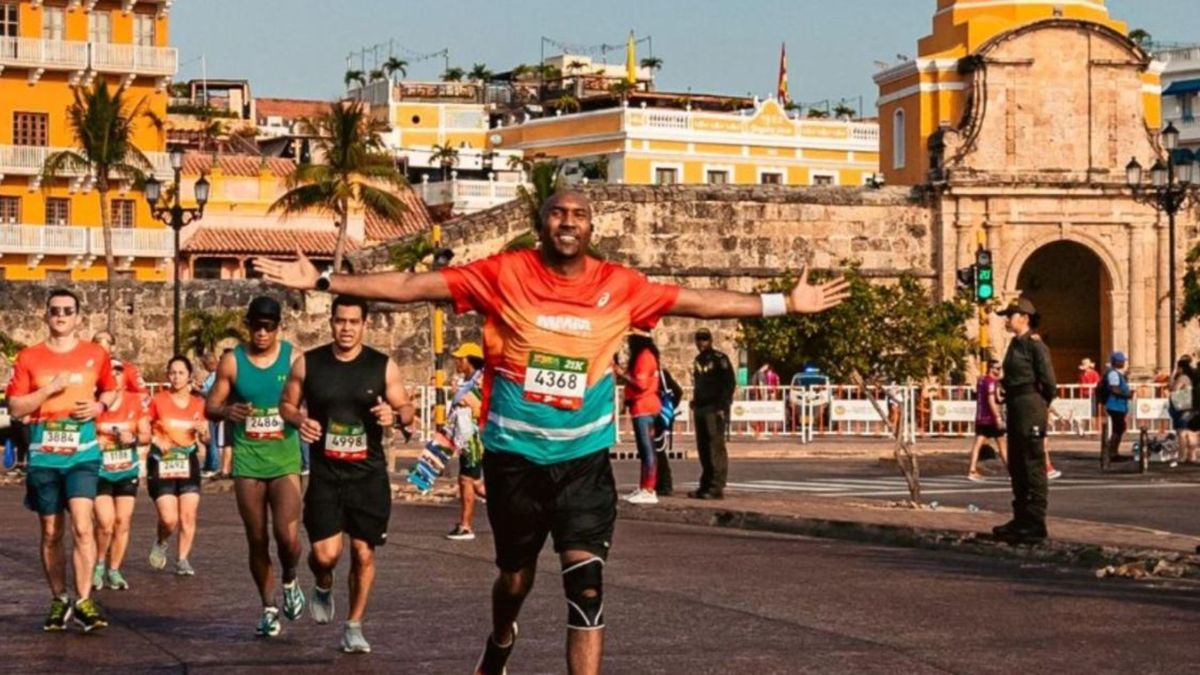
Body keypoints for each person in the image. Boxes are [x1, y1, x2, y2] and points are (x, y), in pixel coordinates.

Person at [252, 189, 849, 675]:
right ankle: (501, 638)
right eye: (558, 213)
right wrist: (326, 282)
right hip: (514, 461)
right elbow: (415, 287)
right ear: (542, 223)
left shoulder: (622, 286)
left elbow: (696, 301)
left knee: (586, 588)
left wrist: (781, 304)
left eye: (580, 214)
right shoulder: (504, 274)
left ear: (592, 227)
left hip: (584, 463)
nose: (568, 222)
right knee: (514, 579)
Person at [280, 295, 413, 653]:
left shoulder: (382, 366)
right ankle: (323, 581)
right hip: (326, 474)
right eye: (341, 321)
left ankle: (353, 625)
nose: (347, 329)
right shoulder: (308, 363)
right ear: (331, 322)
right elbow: (287, 404)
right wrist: (299, 421)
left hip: (368, 475)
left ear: (364, 324)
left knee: (363, 552)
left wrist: (395, 416)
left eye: (354, 322)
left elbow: (406, 407)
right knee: (326, 554)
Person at [5, 289, 119, 631]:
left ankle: (84, 600)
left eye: (68, 311)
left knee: (84, 525)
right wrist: (48, 390)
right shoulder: (29, 357)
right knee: (52, 532)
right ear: (46, 316)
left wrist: (98, 407)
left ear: (78, 317)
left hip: (82, 455)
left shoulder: (95, 354)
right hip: (44, 457)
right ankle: (59, 598)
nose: (61, 316)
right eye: (55, 310)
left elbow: (111, 391)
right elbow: (15, 408)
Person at [205, 296, 305, 637]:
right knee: (257, 537)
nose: (262, 333)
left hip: (285, 459)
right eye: (256, 326)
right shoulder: (233, 361)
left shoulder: (293, 358)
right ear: (248, 325)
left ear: (279, 327)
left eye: (269, 327)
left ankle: (290, 577)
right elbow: (211, 405)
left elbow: (314, 398)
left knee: (287, 536)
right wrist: (226, 412)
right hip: (248, 461)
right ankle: (269, 607)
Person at [993, 298, 1056, 545]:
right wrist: (1003, 387)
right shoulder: (1014, 345)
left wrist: (1041, 404)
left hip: (1031, 406)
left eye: (1011, 315)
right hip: (1016, 405)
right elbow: (1012, 375)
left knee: (1032, 463)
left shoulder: (1035, 345)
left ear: (1025, 317)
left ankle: (1035, 522)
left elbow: (1049, 382)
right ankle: (1020, 518)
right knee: (1017, 463)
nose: (1007, 320)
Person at [146, 356, 209, 576]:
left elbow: (207, 439)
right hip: (162, 461)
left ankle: (182, 559)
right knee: (169, 518)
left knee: (188, 515)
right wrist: (156, 440)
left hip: (187, 460)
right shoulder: (158, 401)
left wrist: (204, 433)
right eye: (172, 373)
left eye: (181, 373)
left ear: (189, 376)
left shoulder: (198, 404)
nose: (176, 377)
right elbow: (144, 429)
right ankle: (162, 541)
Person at [92, 359, 149, 592]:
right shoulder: (95, 405)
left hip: (126, 470)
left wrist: (133, 439)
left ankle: (114, 570)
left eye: (118, 373)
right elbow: (83, 433)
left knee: (122, 522)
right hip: (100, 471)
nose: (114, 377)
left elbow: (146, 434)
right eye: (110, 373)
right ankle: (98, 565)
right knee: (105, 523)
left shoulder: (135, 403)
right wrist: (96, 443)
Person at [446, 342, 488, 541]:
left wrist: (467, 401)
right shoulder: (468, 381)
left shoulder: (481, 381)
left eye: (460, 359)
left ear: (470, 360)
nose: (457, 362)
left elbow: (483, 407)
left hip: (474, 439)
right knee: (476, 484)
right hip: (465, 437)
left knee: (466, 480)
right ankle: (519, 511)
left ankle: (466, 526)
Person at [616, 332, 661, 505]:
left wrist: (620, 371)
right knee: (645, 451)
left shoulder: (644, 357)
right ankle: (644, 487)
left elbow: (641, 383)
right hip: (641, 407)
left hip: (644, 407)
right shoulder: (646, 356)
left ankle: (649, 489)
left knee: (647, 450)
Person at [691, 328, 736, 500]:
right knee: (703, 448)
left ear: (710, 341)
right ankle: (705, 484)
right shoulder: (698, 360)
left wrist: (722, 406)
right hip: (701, 407)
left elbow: (728, 383)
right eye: (699, 340)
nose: (701, 343)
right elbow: (700, 383)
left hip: (714, 408)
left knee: (715, 447)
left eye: (704, 340)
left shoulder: (719, 359)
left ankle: (717, 486)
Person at [967, 360, 1006, 481]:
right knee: (1002, 445)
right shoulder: (991, 382)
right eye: (997, 369)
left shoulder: (981, 380)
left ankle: (972, 470)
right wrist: (998, 417)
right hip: (990, 419)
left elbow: (997, 398)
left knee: (977, 445)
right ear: (991, 369)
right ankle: (1012, 471)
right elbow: (991, 400)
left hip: (980, 417)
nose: (999, 371)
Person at [654, 366, 684, 497]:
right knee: (652, 452)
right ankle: (657, 483)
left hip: (658, 415)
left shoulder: (660, 373)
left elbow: (677, 391)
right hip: (649, 414)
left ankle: (665, 484)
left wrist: (667, 409)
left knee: (658, 450)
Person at [91, 330, 148, 398]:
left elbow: (144, 395)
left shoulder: (126, 369)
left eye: (105, 340)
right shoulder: (86, 369)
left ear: (112, 347)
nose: (98, 343)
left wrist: (125, 401)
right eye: (96, 340)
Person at [1102, 352, 1132, 463]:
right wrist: (1126, 395)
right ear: (1117, 362)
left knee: (1120, 428)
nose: (1124, 362)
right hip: (1115, 405)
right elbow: (1114, 389)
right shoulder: (1113, 374)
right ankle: (1112, 452)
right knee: (1118, 428)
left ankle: (1113, 451)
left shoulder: (1118, 373)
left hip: (1119, 405)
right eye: (1122, 361)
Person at [198, 353, 223, 479]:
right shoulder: (212, 375)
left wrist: (197, 390)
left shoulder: (216, 376)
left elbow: (211, 394)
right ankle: (208, 464)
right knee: (208, 440)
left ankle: (213, 465)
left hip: (212, 411)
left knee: (212, 439)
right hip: (207, 411)